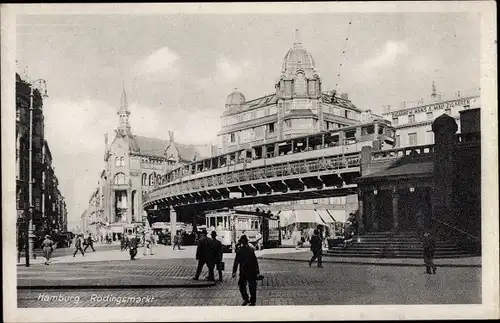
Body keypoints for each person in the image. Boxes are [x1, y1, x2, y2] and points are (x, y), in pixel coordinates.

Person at [232, 235, 260, 306]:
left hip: (243, 271)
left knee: (242, 285)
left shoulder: (239, 250)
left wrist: (234, 272)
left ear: (242, 242)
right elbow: (255, 261)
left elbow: (236, 262)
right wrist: (257, 271)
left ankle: (246, 298)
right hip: (251, 270)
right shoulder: (250, 250)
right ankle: (252, 301)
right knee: (252, 286)